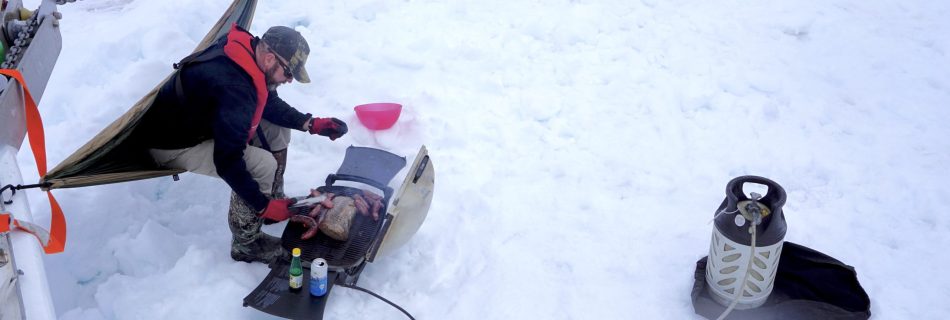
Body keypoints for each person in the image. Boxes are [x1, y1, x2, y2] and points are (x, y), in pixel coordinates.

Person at [133, 24, 347, 264]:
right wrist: (262, 205)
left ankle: (273, 197)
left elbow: (265, 101)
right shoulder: (235, 87)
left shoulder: (247, 53)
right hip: (172, 143)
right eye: (288, 73)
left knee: (278, 130)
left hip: (205, 121)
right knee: (262, 165)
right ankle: (246, 242)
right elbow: (227, 161)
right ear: (269, 58)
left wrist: (309, 123)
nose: (289, 81)